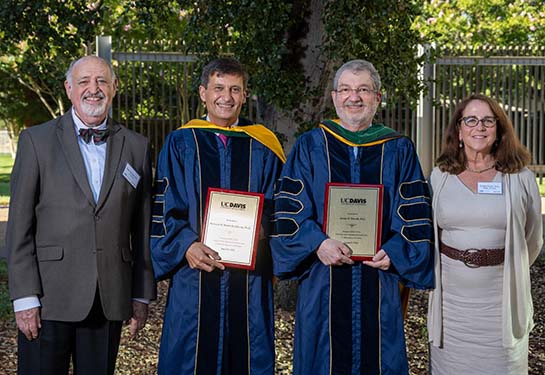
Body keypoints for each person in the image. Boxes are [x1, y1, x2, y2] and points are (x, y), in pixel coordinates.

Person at [270, 59, 434, 375]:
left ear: (378, 97)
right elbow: (289, 211)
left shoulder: (398, 149)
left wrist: (396, 252)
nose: (353, 97)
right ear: (334, 97)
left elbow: (414, 213)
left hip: (379, 279)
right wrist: (317, 243)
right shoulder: (310, 145)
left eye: (363, 90)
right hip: (322, 281)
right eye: (345, 89)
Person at [6, 55, 156, 375]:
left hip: (108, 297)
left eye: (102, 81)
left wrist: (141, 293)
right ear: (69, 88)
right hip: (48, 298)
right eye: (84, 81)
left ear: (114, 87)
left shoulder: (137, 146)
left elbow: (141, 229)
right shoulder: (37, 141)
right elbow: (19, 227)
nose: (94, 89)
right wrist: (24, 297)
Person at [151, 58, 285, 375]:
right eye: (219, 88)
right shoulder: (181, 142)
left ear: (244, 95)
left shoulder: (264, 146)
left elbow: (283, 203)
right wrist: (186, 245)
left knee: (248, 356)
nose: (226, 97)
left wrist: (262, 228)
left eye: (235, 89)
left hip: (249, 279)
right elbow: (163, 204)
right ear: (203, 93)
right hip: (194, 276)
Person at [427, 94, 543, 374]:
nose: (479, 127)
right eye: (471, 120)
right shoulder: (439, 177)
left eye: (488, 121)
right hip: (451, 310)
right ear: (458, 130)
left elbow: (533, 238)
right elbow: (430, 234)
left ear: (499, 130)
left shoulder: (521, 178)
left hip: (501, 306)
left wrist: (506, 265)